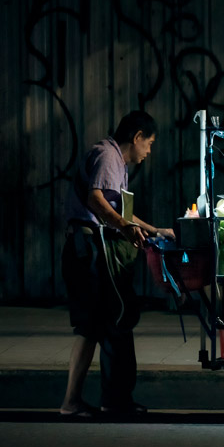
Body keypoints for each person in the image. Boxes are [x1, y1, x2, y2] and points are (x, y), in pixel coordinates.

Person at [59, 110, 174, 419]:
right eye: (149, 144)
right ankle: (74, 403)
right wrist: (124, 228)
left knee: (112, 323)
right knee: (98, 325)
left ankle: (113, 400)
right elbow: (96, 199)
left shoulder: (117, 164)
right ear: (136, 137)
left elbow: (122, 211)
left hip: (93, 248)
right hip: (90, 250)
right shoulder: (106, 155)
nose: (148, 152)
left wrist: (153, 230)